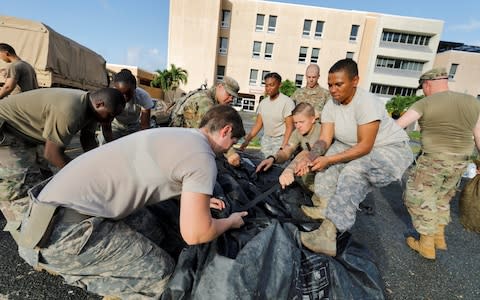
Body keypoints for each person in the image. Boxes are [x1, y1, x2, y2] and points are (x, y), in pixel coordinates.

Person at [11, 105, 248, 298]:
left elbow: (161, 172)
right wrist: (230, 222)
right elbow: (196, 234)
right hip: (60, 236)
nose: (231, 148)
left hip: (45, 214)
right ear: (226, 130)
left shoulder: (178, 135)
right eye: (233, 141)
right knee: (161, 275)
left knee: (159, 234)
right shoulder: (202, 157)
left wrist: (196, 199)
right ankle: (77, 270)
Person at [291, 59, 413, 256]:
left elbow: (365, 146)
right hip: (352, 144)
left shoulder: (366, 103)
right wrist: (311, 156)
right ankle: (325, 208)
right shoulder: (331, 104)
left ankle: (328, 234)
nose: (333, 89)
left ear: (355, 81)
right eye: (330, 85)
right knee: (324, 160)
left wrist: (329, 160)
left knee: (353, 172)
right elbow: (324, 139)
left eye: (339, 84)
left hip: (388, 149)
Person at [396, 67, 480, 260]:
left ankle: (426, 244)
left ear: (427, 84)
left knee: (419, 198)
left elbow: (399, 126)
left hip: (434, 160)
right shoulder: (472, 102)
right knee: (442, 197)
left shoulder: (426, 102)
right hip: (460, 162)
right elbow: (478, 136)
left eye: (423, 88)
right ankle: (439, 238)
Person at [0, 87, 125, 203]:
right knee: (20, 190)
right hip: (6, 127)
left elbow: (88, 140)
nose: (110, 121)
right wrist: (83, 175)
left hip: (25, 133)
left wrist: (96, 167)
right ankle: (18, 222)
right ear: (100, 104)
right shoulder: (70, 110)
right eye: (110, 115)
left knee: (44, 181)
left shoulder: (93, 110)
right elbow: (52, 154)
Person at [170, 76, 241, 166]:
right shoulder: (203, 101)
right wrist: (231, 154)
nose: (231, 99)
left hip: (187, 144)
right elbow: (213, 131)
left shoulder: (211, 99)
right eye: (229, 94)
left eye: (233, 97)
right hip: (181, 149)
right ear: (220, 86)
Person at [239, 72, 295, 158]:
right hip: (266, 139)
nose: (268, 88)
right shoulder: (263, 103)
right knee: (262, 164)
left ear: (279, 85)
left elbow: (290, 127)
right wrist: (246, 141)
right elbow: (258, 124)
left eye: (272, 85)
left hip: (281, 139)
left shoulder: (287, 102)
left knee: (276, 166)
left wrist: (283, 147)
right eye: (266, 85)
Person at [101, 69, 154, 142]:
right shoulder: (109, 97)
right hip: (114, 126)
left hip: (133, 127)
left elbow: (144, 126)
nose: (124, 98)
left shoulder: (143, 96)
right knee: (104, 145)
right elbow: (106, 128)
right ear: (115, 88)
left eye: (128, 93)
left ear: (135, 88)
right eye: (120, 93)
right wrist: (109, 146)